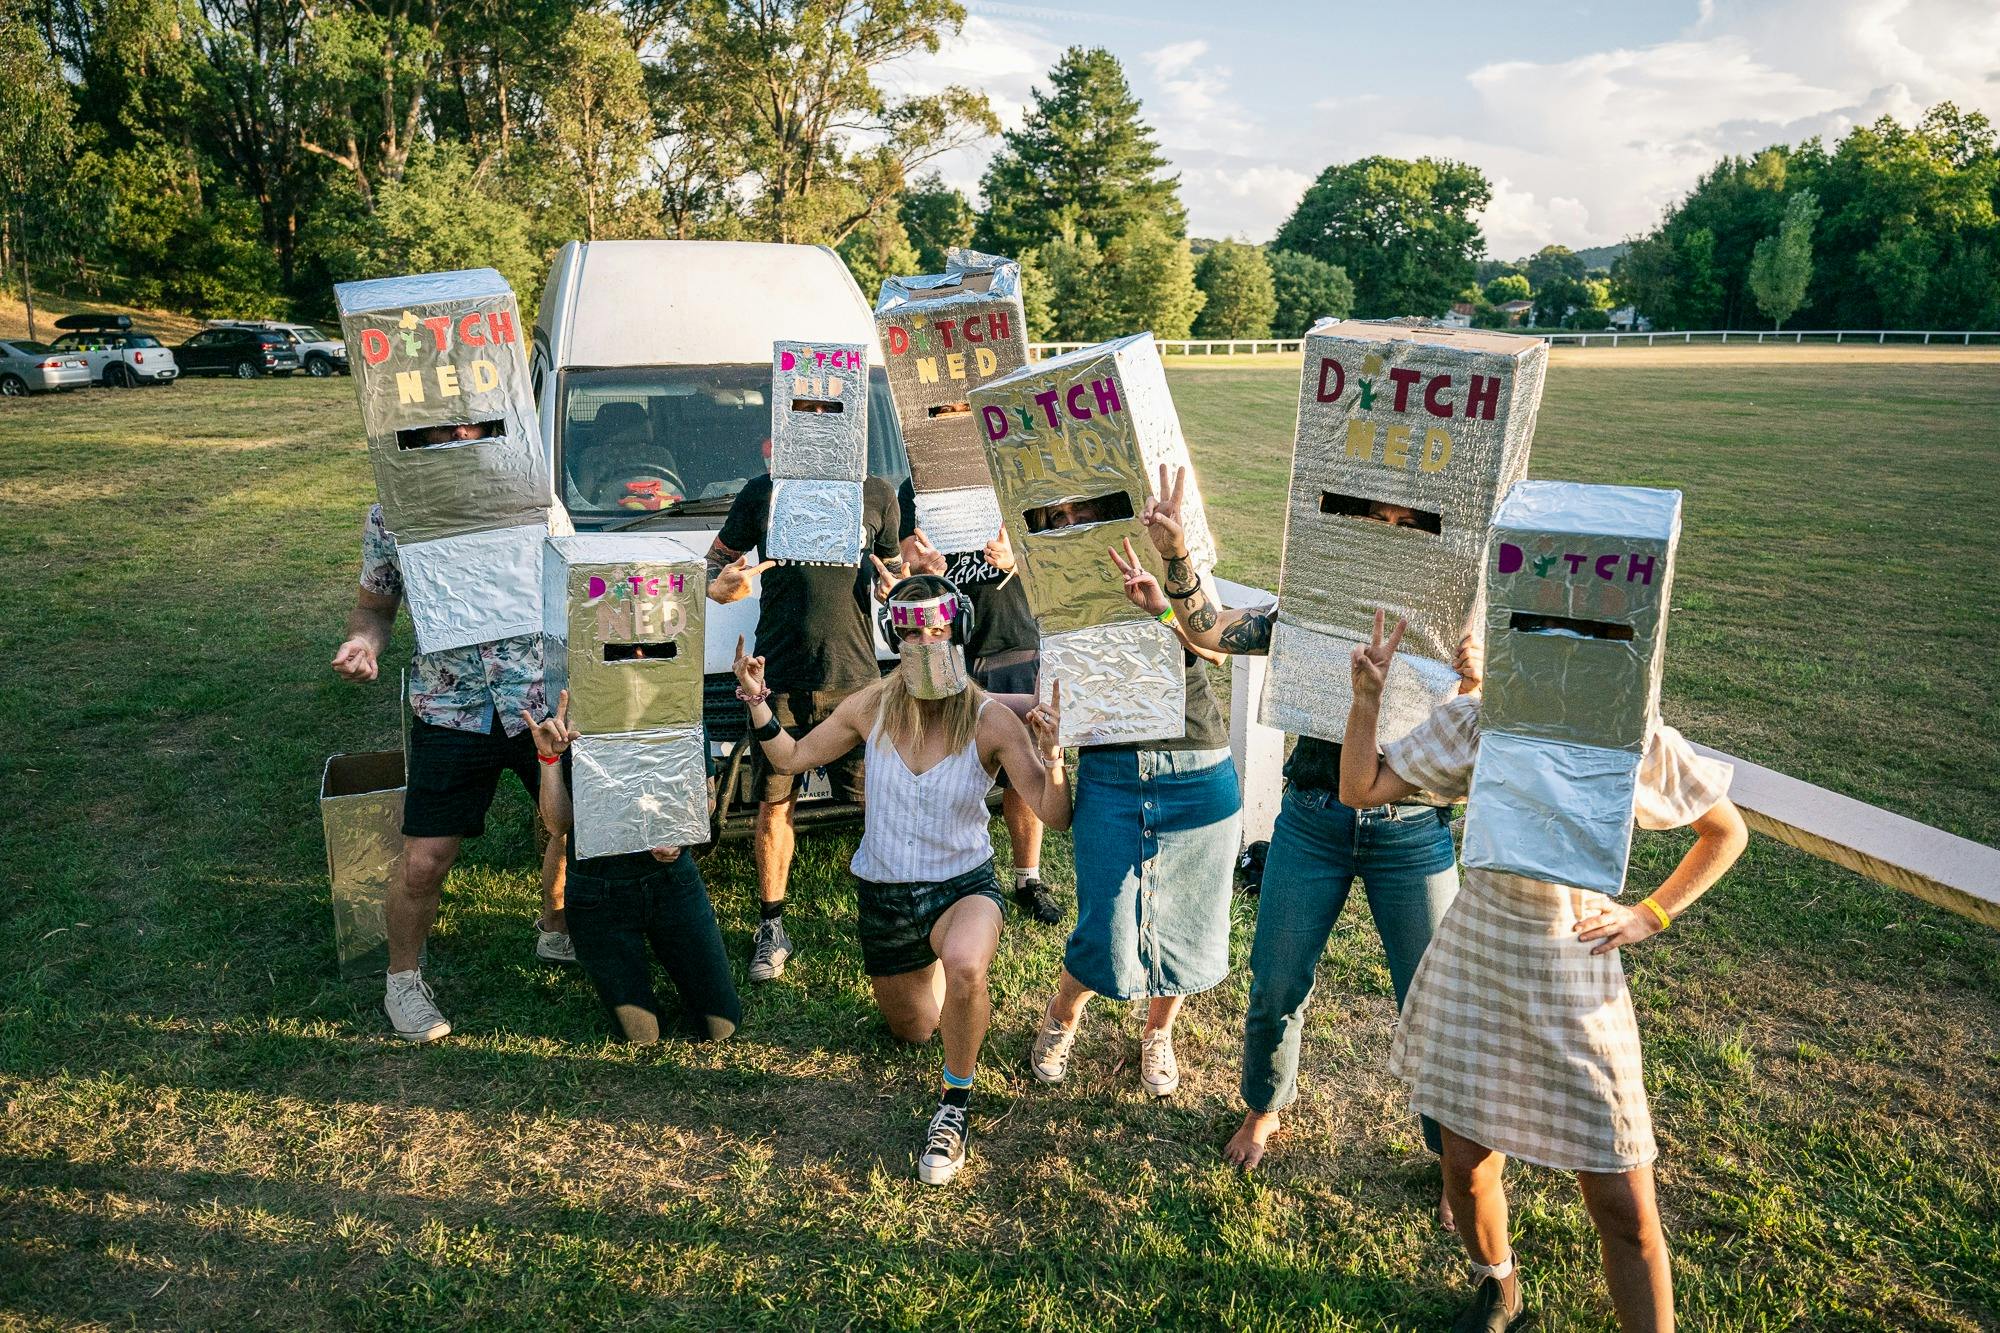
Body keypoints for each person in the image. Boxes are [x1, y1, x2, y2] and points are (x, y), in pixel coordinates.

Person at [1342, 612, 1748, 1332]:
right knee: (1466, 1166)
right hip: (1480, 961)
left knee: (1625, 1205)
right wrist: (1368, 696)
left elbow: (1726, 832)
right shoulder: (1482, 723)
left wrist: (1649, 914)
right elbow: (1361, 787)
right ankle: (1499, 1287)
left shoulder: (1629, 734)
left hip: (1576, 976)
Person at [1114, 464, 1470, 1230]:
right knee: (1276, 979)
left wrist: (1477, 677)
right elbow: (1211, 629)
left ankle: (1455, 1157)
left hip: (1411, 827)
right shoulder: (1313, 604)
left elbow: (1494, 719)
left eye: (1404, 521)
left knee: (1433, 1002)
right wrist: (1176, 554)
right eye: (1373, 516)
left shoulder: (1451, 618)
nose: (1387, 532)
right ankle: (1264, 1107)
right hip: (1312, 816)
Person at [731, 575, 1070, 1184]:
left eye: (937, 630)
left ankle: (954, 1104)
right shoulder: (872, 706)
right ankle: (935, 970)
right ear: (894, 636)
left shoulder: (991, 721)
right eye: (911, 633)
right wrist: (757, 700)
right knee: (914, 1030)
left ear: (957, 632)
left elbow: (1055, 812)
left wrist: (1052, 756)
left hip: (962, 885)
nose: (925, 643)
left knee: (966, 964)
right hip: (885, 893)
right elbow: (792, 757)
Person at [332, 488, 572, 1045]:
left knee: (573, 827)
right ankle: (401, 982)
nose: (452, 444)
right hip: (451, 708)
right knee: (424, 862)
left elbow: (575, 589)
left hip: (539, 702)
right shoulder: (391, 515)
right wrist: (363, 643)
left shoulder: (533, 498)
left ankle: (557, 928)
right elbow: (374, 609)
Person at [1024, 494, 1243, 1100]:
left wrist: (1165, 604)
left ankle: (1158, 1032)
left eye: (1084, 510)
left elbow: (1215, 648)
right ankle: (1063, 1014)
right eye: (1058, 516)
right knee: (1107, 917)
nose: (1073, 524)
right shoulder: (1053, 580)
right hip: (1111, 764)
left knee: (1185, 915)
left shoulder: (1172, 567)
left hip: (1194, 761)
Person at [706, 471, 904, 984]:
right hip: (779, 678)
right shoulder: (762, 492)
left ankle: (897, 912)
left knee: (878, 803)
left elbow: (894, 572)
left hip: (855, 680)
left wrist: (897, 588)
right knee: (775, 804)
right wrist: (717, 588)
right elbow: (713, 565)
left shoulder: (876, 493)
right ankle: (771, 926)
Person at [524, 690, 741, 1045]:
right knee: (641, 1036)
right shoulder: (574, 718)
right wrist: (548, 759)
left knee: (721, 1025)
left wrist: (679, 833)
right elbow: (558, 824)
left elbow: (707, 798)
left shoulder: (677, 706)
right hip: (599, 895)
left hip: (671, 884)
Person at [888, 477, 1058, 924]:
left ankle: (1028, 878)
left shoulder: (1009, 467)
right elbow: (904, 556)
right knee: (945, 767)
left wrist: (1017, 559)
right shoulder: (918, 480)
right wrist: (921, 569)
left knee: (1024, 770)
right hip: (944, 647)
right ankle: (945, 873)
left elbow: (1055, 550)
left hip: (1011, 640)